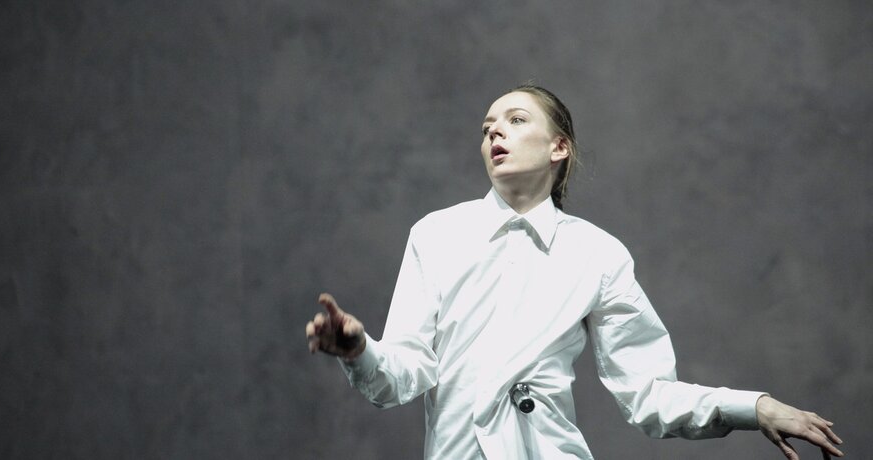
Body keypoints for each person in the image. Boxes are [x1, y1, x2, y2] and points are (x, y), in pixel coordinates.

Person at [305, 84, 843, 460]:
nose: (495, 133)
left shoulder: (597, 254)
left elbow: (649, 394)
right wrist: (359, 350)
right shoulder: (436, 234)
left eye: (516, 120)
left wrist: (754, 407)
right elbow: (402, 376)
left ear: (559, 147)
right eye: (488, 127)